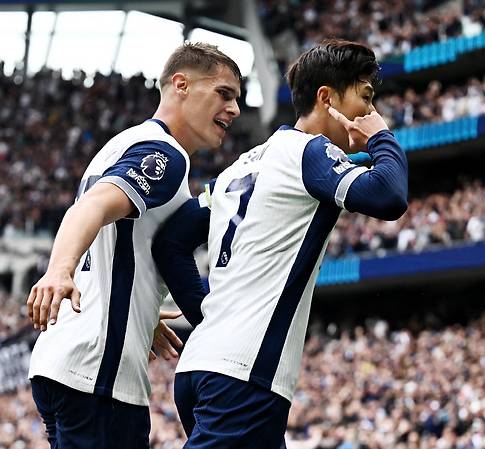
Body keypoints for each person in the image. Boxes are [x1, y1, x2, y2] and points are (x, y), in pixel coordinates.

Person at [152, 39, 408, 448]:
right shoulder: (310, 152)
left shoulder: (243, 164)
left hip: (202, 366)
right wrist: (383, 138)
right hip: (243, 374)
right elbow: (388, 195)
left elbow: (171, 243)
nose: (371, 112)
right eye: (365, 96)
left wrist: (206, 316)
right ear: (327, 97)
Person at [26, 42, 242, 449]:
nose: (234, 110)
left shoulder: (123, 143)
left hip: (67, 362)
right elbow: (92, 207)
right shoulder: (165, 155)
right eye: (224, 94)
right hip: (97, 375)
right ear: (180, 84)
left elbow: (113, 239)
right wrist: (59, 269)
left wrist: (138, 312)